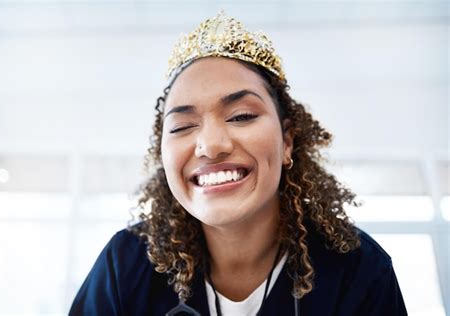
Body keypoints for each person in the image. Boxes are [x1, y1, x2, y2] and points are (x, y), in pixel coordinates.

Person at [69, 11, 407, 316]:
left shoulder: (357, 270)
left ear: (287, 140)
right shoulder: (125, 265)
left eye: (241, 116)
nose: (211, 145)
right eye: (182, 126)